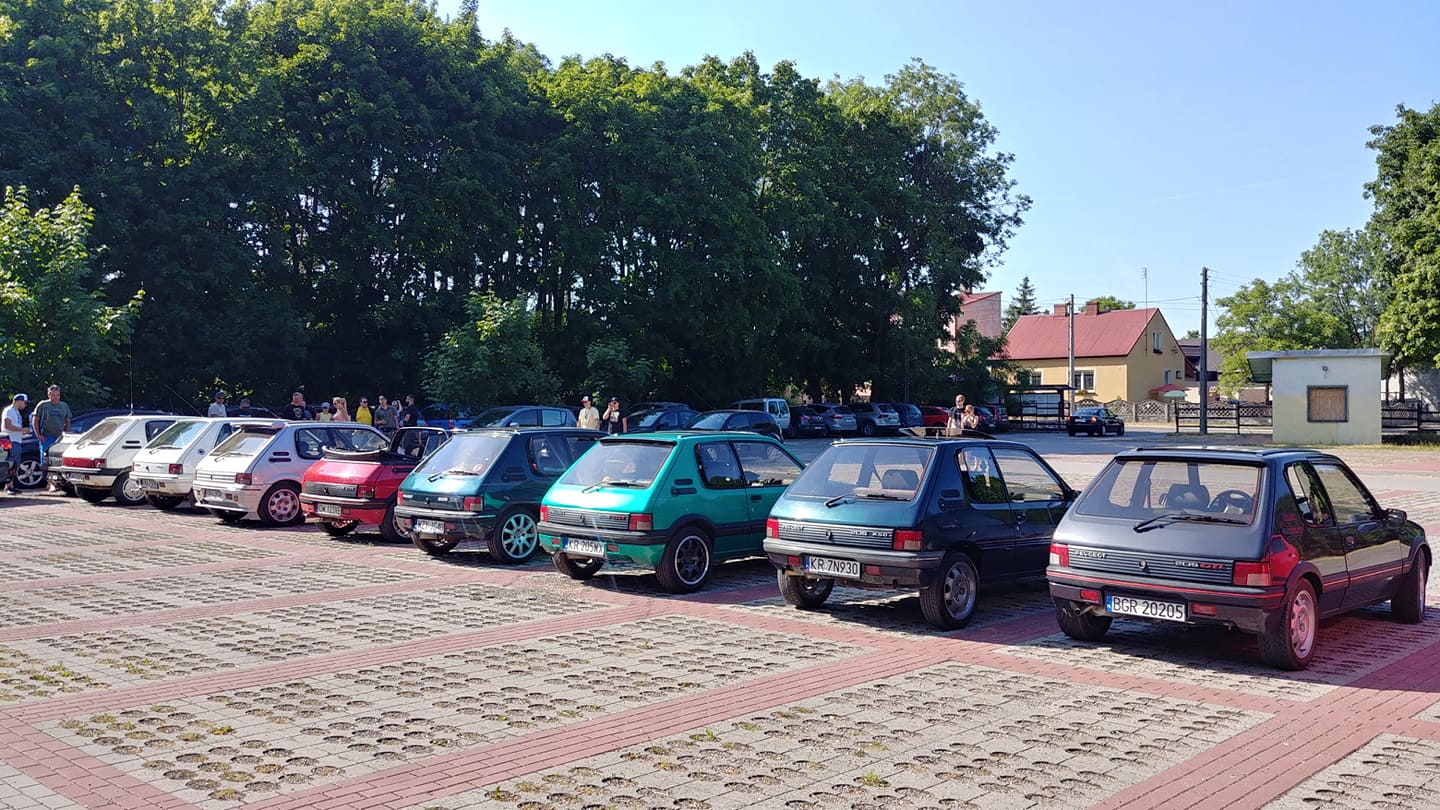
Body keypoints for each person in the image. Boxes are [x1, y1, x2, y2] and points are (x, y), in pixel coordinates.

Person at [31, 385, 71, 485]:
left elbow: (67, 420)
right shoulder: (43, 405)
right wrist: (38, 435)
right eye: (53, 395)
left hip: (60, 437)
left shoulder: (64, 406)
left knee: (59, 460)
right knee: (46, 460)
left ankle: (60, 482)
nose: (55, 397)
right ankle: (50, 483)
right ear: (48, 395)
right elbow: (35, 420)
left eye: (57, 395)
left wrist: (66, 434)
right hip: (46, 436)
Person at [3, 393, 30, 494]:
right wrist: (22, 430)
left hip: (16, 440)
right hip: (11, 440)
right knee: (11, 463)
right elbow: (7, 425)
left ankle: (10, 485)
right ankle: (7, 486)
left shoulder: (16, 412)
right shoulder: (9, 411)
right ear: (19, 401)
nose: (25, 405)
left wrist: (22, 432)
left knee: (15, 463)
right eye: (25, 402)